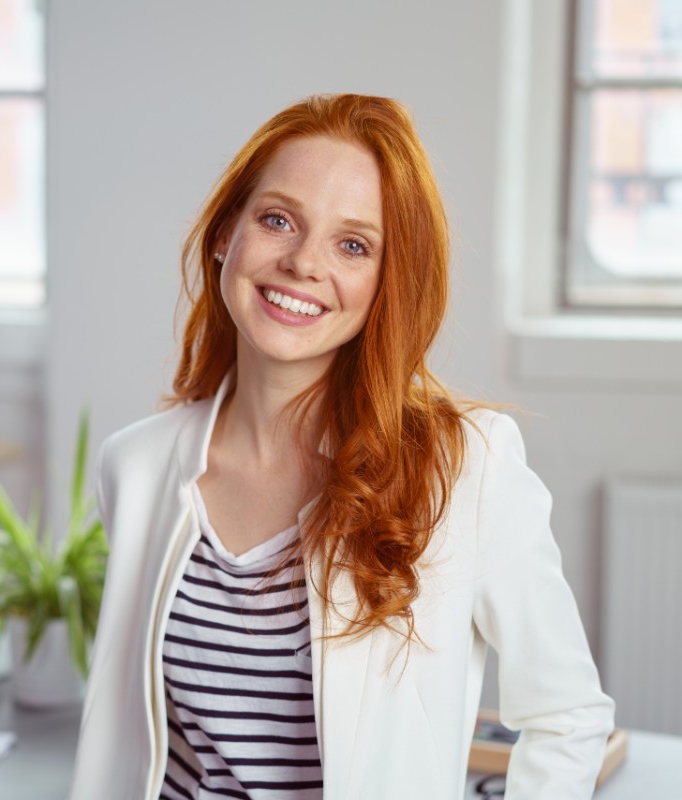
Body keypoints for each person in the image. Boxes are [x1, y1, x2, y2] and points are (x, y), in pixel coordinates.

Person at [69, 94, 614, 800]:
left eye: (352, 245)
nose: (301, 263)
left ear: (384, 284)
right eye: (277, 220)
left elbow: (567, 715)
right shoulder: (136, 467)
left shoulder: (464, 466)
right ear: (224, 233)